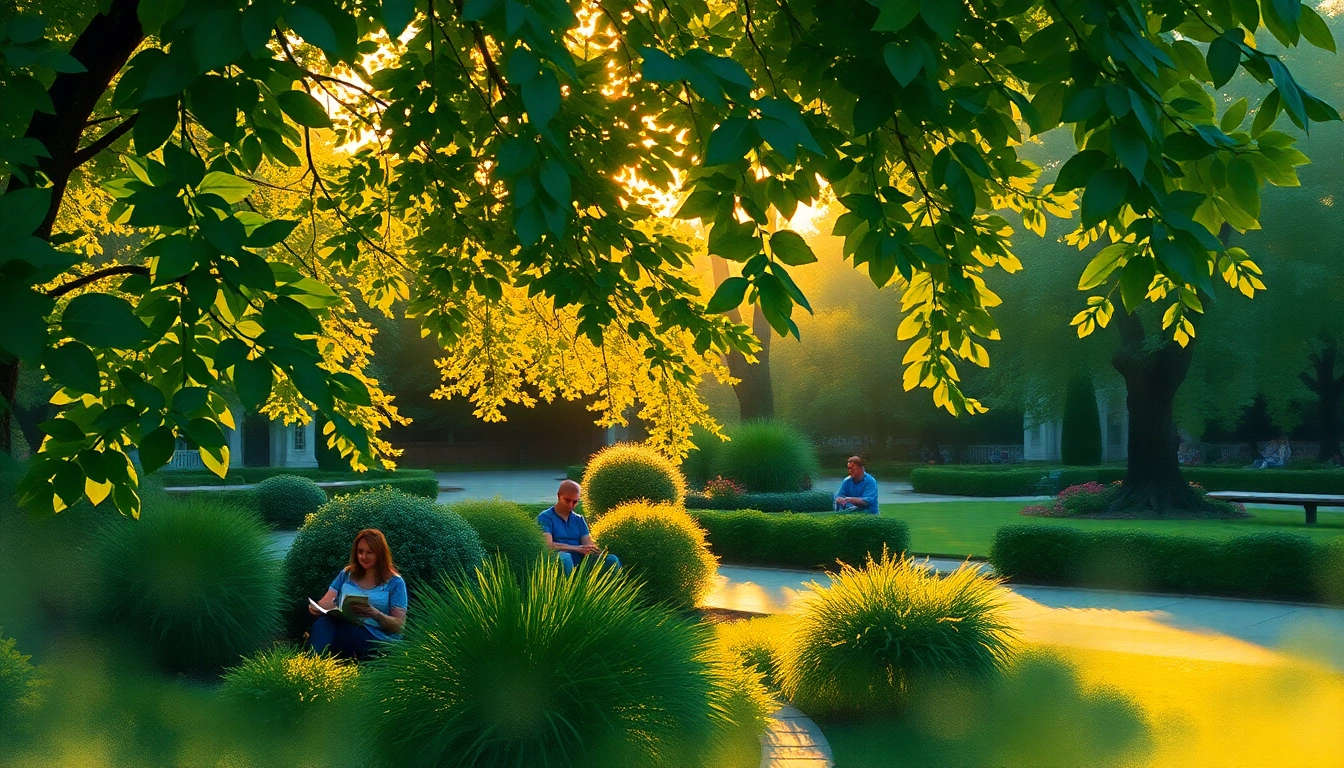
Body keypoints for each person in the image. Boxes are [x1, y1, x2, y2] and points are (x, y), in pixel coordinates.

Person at [306, 528, 407, 660]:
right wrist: (317, 607)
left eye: (369, 552)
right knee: (324, 622)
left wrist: (375, 614)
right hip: (346, 626)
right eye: (360, 552)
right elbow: (327, 600)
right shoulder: (347, 574)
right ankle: (311, 663)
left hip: (376, 635)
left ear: (380, 554)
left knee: (348, 630)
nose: (363, 557)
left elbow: (398, 626)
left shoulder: (395, 582)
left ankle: (318, 661)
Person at [537, 480, 621, 574]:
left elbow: (587, 544)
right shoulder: (545, 517)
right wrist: (577, 548)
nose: (571, 505)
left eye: (575, 502)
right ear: (559, 496)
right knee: (565, 558)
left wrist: (595, 550)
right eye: (567, 500)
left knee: (612, 560)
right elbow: (548, 545)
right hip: (560, 561)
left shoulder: (579, 519)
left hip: (581, 561)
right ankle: (567, 587)